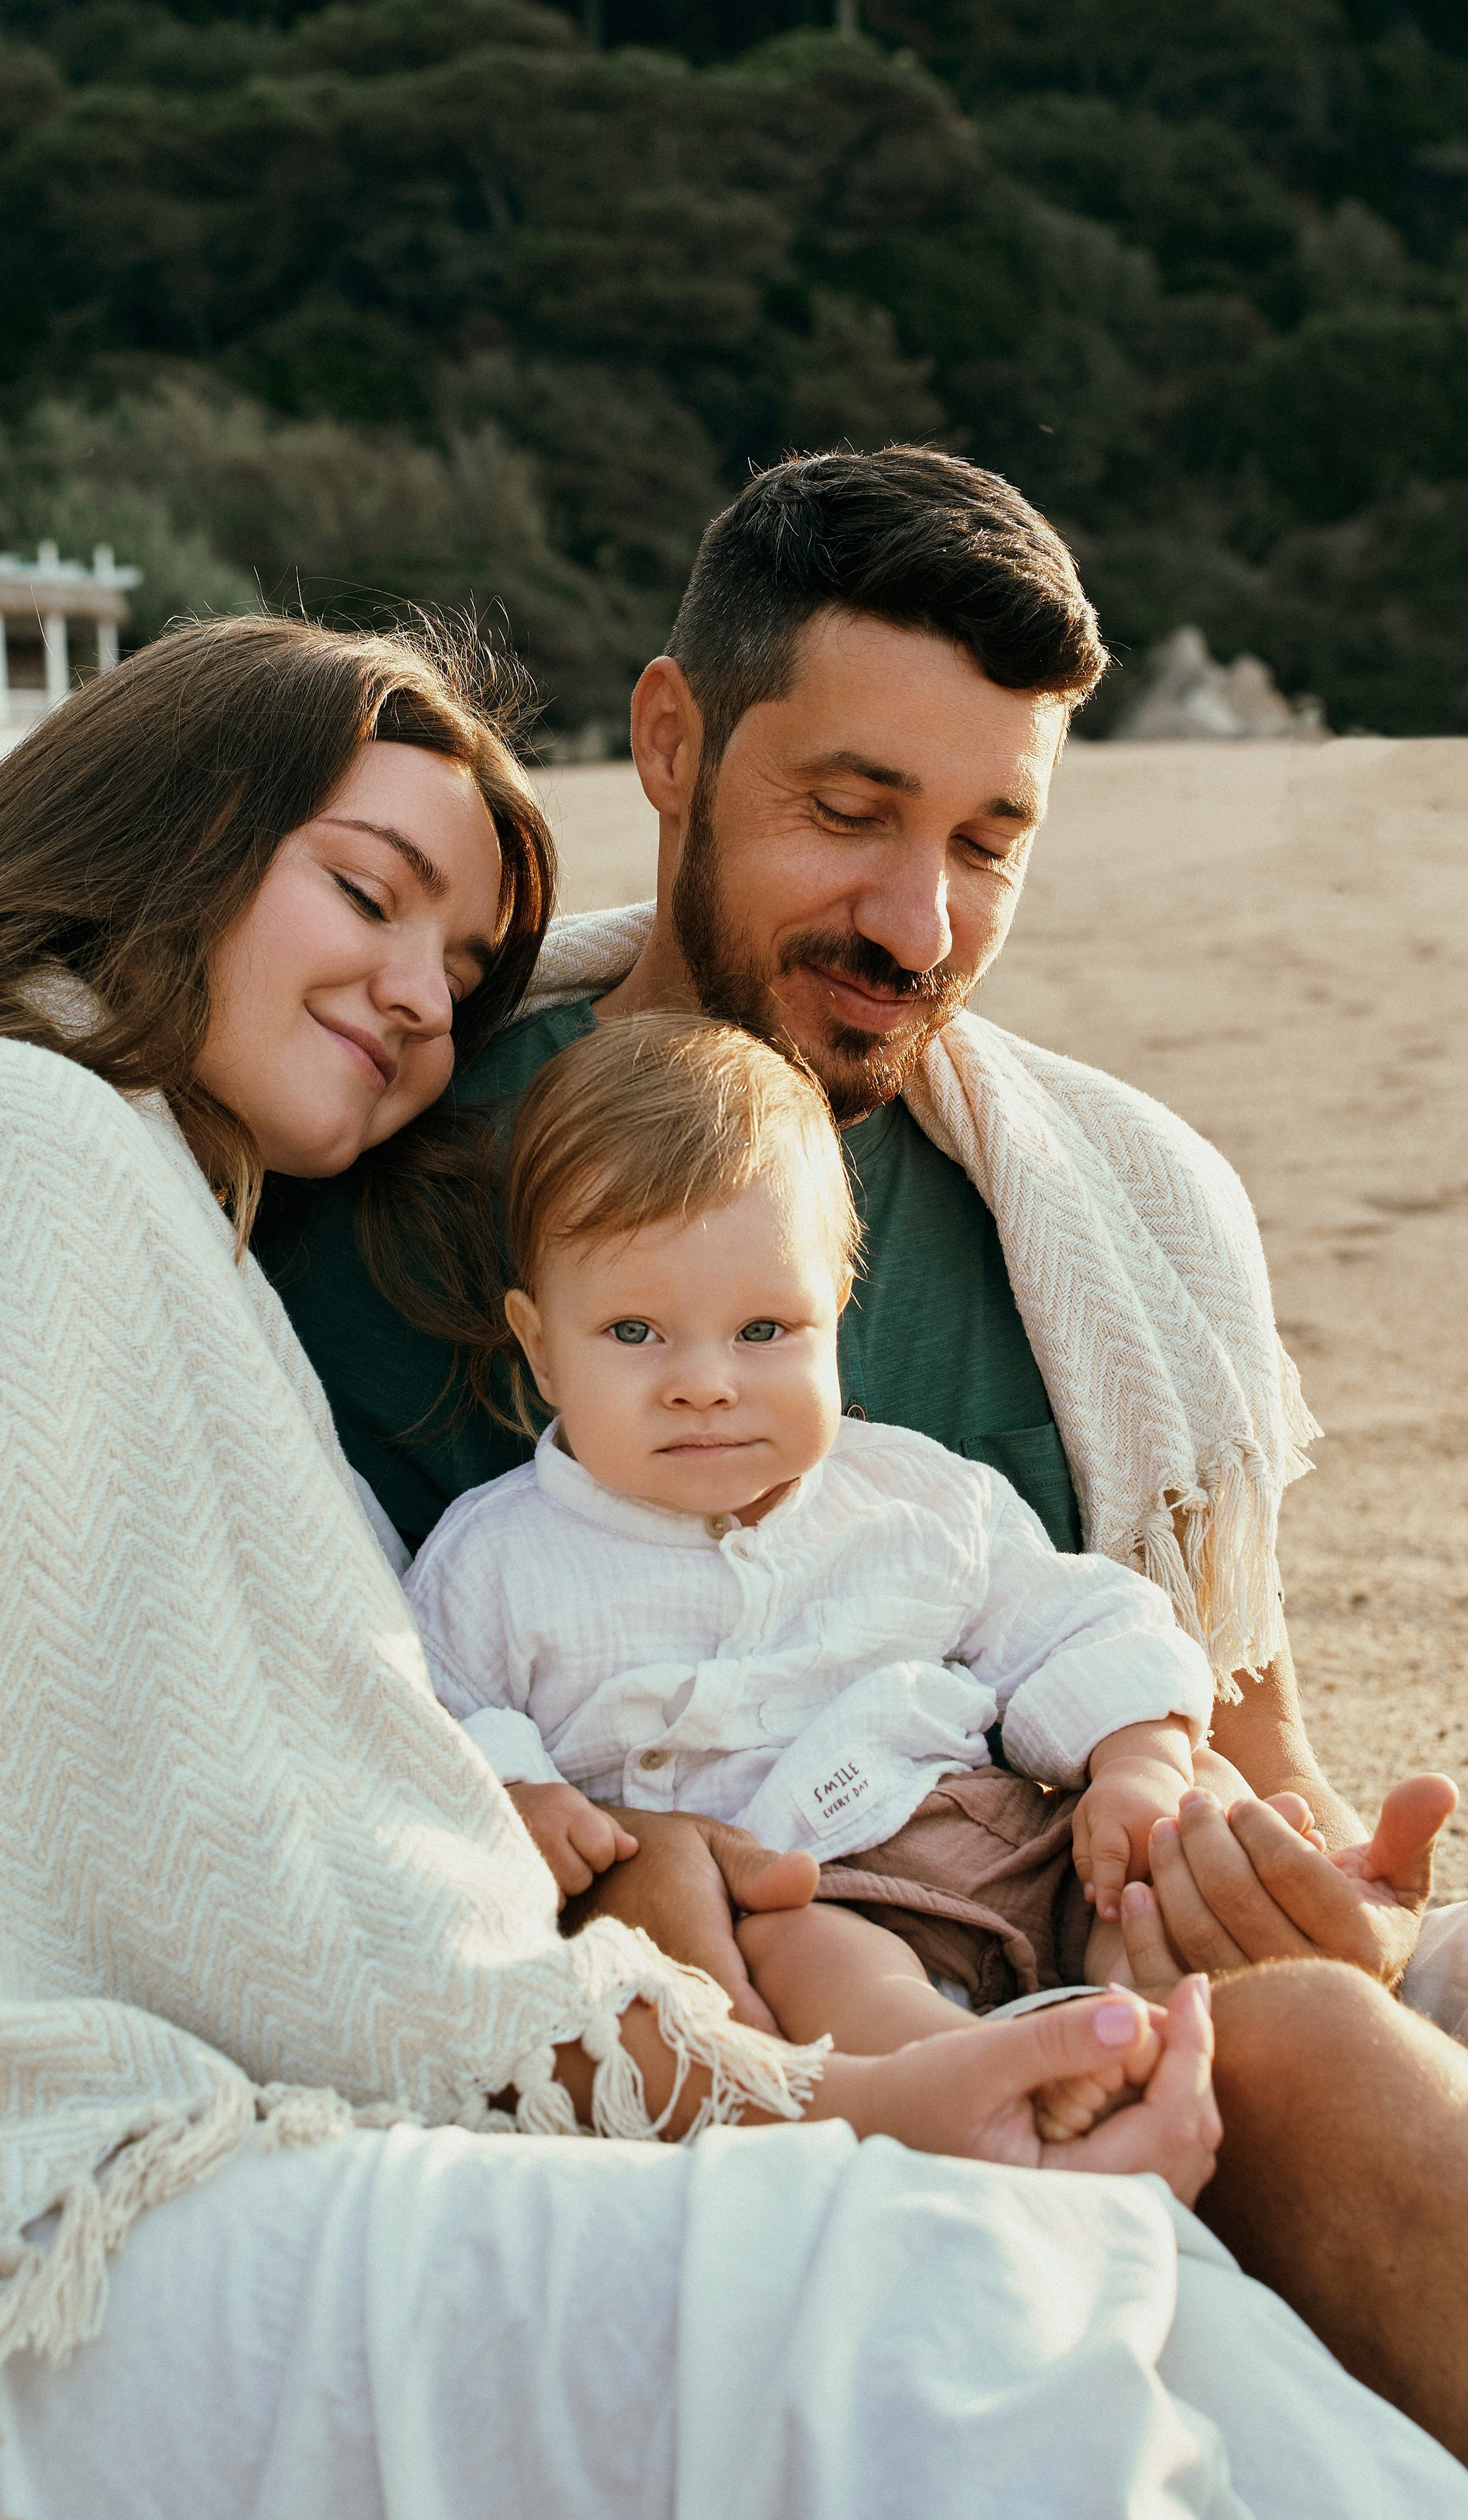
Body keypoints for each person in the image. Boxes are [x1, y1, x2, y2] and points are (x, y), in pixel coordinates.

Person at [0, 608, 1347, 2520]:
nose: (420, 1001)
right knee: (957, 2305)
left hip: (184, 2137)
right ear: (169, 831)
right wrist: (807, 2085)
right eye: (367, 895)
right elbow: (261, 1869)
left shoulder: (128, 1176)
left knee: (1097, 2299)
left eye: (459, 967)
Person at [256, 443, 1464, 2050]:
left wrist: (1312, 1897)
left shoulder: (1127, 1212)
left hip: (1101, 1953)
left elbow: (1251, 1751)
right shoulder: (360, 1176)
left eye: (986, 845)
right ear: (670, 741)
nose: (918, 926)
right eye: (847, 811)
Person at [408, 1007, 1286, 2061]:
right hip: (784, 1889)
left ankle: (1174, 2010)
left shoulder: (915, 1494)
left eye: (764, 1331)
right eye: (634, 1333)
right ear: (543, 1353)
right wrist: (518, 1788)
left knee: (1174, 1858)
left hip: (987, 1835)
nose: (704, 1384)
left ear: (837, 1312)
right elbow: (427, 1715)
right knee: (819, 1953)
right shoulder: (499, 1558)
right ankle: (980, 2070)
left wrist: (1137, 1752)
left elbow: (1073, 1614)